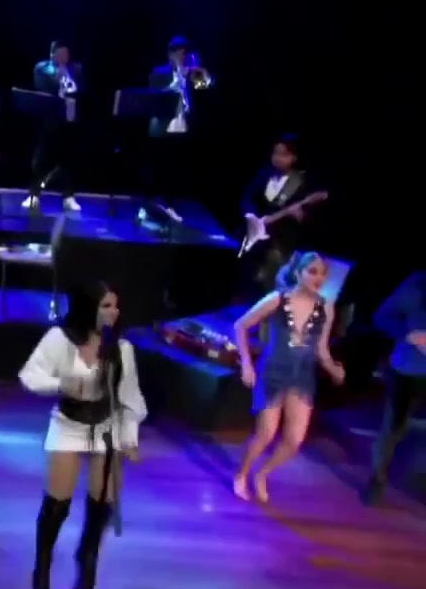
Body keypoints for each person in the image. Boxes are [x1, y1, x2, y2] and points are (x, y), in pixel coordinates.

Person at [16, 280, 147, 589]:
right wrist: (60, 383)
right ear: (89, 307)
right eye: (106, 306)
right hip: (69, 424)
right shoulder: (60, 339)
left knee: (102, 504)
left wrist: (130, 437)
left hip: (106, 426)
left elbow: (130, 397)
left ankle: (87, 563)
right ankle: (42, 567)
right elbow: (29, 375)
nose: (113, 312)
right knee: (57, 504)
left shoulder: (121, 348)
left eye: (115, 306)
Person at [232, 252, 345, 502]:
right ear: (298, 273)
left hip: (303, 376)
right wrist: (247, 364)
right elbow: (241, 325)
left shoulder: (326, 307)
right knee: (266, 433)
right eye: (312, 272)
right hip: (274, 372)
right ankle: (242, 474)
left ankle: (262, 474)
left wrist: (333, 368)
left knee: (294, 440)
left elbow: (321, 349)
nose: (318, 278)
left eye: (322, 273)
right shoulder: (278, 299)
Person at [363, 271, 426, 505]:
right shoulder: (416, 286)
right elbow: (383, 316)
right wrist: (409, 335)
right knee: (393, 428)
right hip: (408, 371)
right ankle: (377, 480)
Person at [239, 135, 326, 294]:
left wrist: (300, 216)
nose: (278, 158)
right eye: (275, 153)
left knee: (271, 284)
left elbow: (310, 219)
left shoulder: (301, 182)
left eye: (283, 154)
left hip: (282, 242)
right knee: (246, 281)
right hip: (255, 239)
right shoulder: (264, 175)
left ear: (294, 157)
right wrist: (253, 217)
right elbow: (247, 198)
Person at [141, 37, 215, 224]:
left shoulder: (192, 73)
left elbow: (205, 87)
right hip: (162, 126)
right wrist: (176, 82)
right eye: (179, 53)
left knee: (175, 169)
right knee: (157, 168)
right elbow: (155, 95)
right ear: (170, 54)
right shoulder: (159, 72)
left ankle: (171, 206)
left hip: (182, 125)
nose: (182, 57)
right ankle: (149, 205)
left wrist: (200, 71)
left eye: (185, 54)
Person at [25, 41, 84, 213]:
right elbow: (42, 88)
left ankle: (69, 197)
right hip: (48, 123)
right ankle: (34, 195)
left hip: (69, 122)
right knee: (40, 160)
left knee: (69, 161)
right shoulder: (42, 68)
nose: (65, 57)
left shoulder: (75, 69)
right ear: (53, 54)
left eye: (67, 54)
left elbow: (81, 90)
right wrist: (59, 77)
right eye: (61, 54)